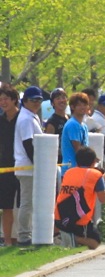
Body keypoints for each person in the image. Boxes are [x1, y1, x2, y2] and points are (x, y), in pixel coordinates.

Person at [54, 146, 105, 249]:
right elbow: (103, 199)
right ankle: (73, 238)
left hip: (60, 217)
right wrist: (103, 182)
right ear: (93, 162)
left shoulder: (69, 172)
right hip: (78, 220)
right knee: (95, 242)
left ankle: (63, 237)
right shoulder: (96, 175)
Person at [14, 86, 44, 246]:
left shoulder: (31, 116)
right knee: (27, 202)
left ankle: (28, 232)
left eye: (39, 100)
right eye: (33, 100)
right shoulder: (25, 118)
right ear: (25, 101)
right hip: (27, 167)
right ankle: (24, 236)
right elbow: (28, 144)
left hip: (30, 167)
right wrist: (37, 164)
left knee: (30, 202)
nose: (37, 102)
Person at [0, 84, 20, 246]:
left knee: (21, 204)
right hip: (3, 167)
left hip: (21, 166)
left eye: (6, 99)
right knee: (6, 205)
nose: (3, 102)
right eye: (0, 100)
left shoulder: (24, 119)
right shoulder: (1, 121)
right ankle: (6, 240)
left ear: (14, 100)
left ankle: (20, 237)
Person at [60, 93, 90, 177]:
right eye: (79, 105)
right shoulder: (72, 124)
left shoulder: (83, 126)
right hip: (71, 169)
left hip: (80, 169)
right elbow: (78, 149)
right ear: (72, 107)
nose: (83, 107)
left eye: (85, 104)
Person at [44, 88, 68, 163]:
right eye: (58, 98)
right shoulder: (52, 122)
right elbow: (49, 146)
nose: (61, 100)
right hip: (59, 161)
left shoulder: (70, 118)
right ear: (52, 103)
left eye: (63, 97)